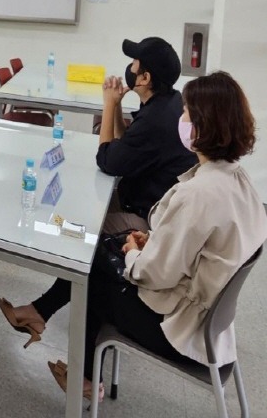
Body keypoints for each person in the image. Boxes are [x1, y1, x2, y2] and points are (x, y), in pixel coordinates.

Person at [48, 71, 267, 401]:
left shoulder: (198, 194)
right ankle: (79, 366)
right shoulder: (240, 181)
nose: (180, 119)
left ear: (203, 126)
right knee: (103, 264)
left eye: (186, 114)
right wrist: (154, 243)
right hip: (215, 328)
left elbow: (153, 274)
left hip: (181, 330)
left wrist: (132, 253)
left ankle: (84, 380)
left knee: (91, 276)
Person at [0, 36, 196, 347]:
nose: (129, 69)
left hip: (149, 221)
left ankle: (50, 323)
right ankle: (39, 312)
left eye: (135, 65)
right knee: (85, 221)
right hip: (148, 202)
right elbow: (123, 145)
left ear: (144, 78)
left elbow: (106, 160)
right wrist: (116, 106)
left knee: (85, 239)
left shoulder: (157, 119)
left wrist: (107, 103)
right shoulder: (165, 104)